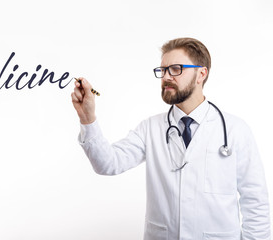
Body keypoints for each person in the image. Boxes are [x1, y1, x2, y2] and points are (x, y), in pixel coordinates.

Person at [71, 37, 271, 240]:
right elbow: (107, 164)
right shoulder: (150, 128)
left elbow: (255, 203)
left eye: (175, 69)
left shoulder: (235, 130)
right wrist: (87, 118)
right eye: (163, 70)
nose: (166, 77)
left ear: (201, 73)